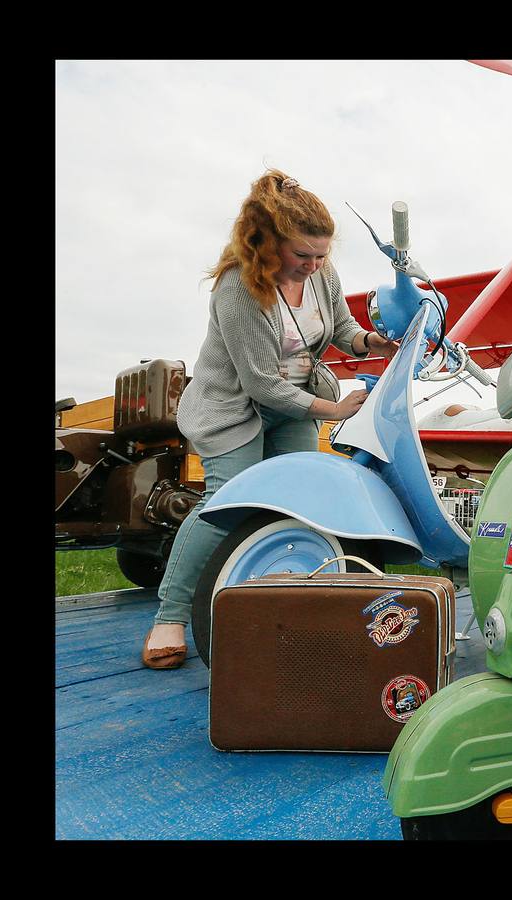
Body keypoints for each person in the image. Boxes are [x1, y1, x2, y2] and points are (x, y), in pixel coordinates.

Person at [143, 169, 399, 669]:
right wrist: (334, 410)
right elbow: (261, 383)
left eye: (322, 254)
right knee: (226, 505)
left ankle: (280, 598)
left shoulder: (322, 273)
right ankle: (169, 615)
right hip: (234, 407)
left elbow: (342, 328)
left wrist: (371, 343)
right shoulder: (237, 288)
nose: (315, 264)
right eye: (302, 255)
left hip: (293, 403)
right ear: (269, 244)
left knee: (300, 501)